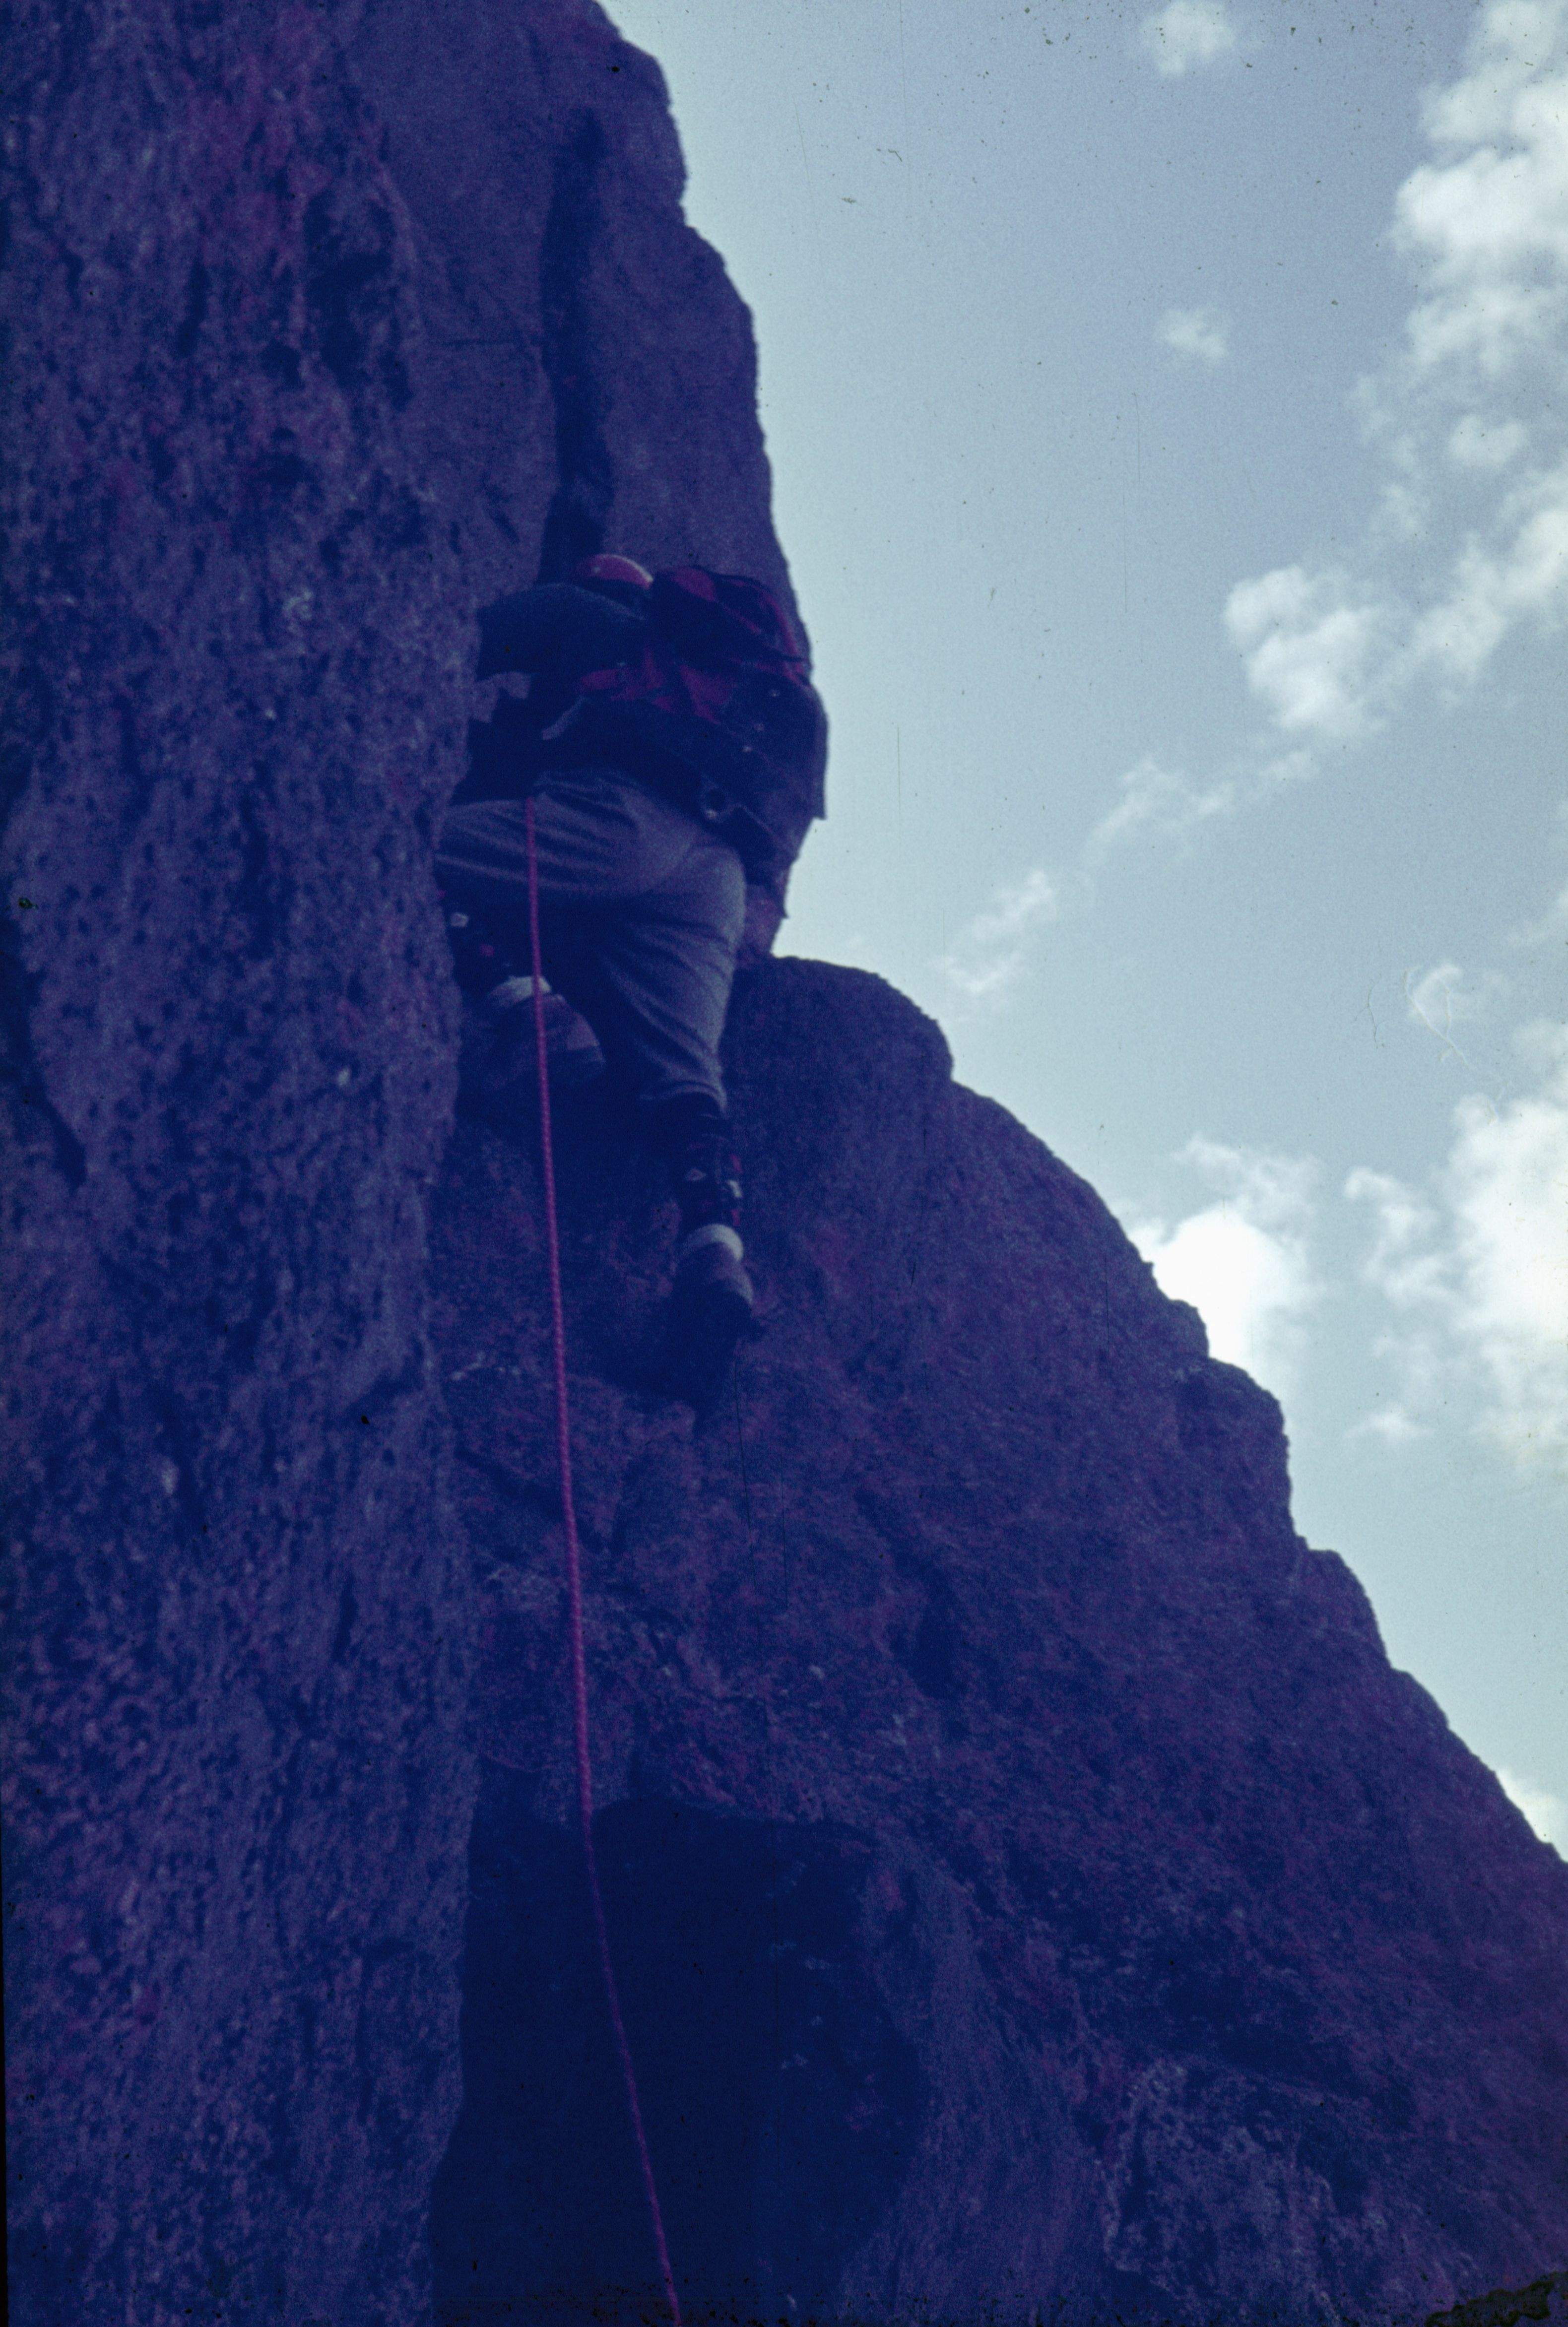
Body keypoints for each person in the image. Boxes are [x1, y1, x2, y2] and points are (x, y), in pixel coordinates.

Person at [436, 552, 827, 1405]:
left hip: (619, 818)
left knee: (408, 836)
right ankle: (716, 1252)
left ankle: (526, 1006)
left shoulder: (585, 617)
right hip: (718, 876)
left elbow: (443, 645)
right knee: (687, 1077)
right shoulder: (747, 701)